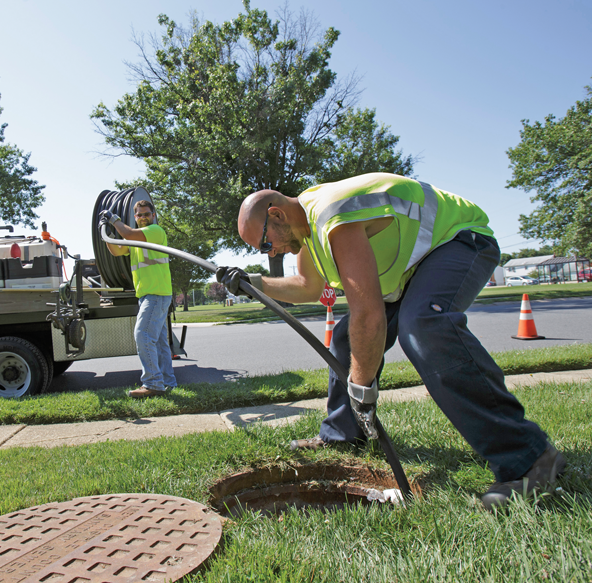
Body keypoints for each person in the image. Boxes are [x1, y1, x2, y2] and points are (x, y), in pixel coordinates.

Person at [217, 173, 565, 510]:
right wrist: (253, 282)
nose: (271, 253)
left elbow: (369, 315)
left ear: (276, 214)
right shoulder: (306, 229)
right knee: (344, 338)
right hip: (411, 270)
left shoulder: (332, 214)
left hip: (458, 240)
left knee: (425, 326)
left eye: (266, 243)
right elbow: (307, 287)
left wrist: (362, 387)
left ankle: (529, 458)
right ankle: (343, 434)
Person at [99, 200, 177, 398]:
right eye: (139, 215)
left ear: (153, 215)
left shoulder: (155, 231)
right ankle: (168, 383)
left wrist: (113, 219)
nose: (143, 217)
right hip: (147, 295)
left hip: (156, 293)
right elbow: (117, 250)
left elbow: (128, 234)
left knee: (143, 335)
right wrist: (106, 232)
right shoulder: (134, 240)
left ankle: (153, 384)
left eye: (146, 214)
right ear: (134, 217)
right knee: (159, 343)